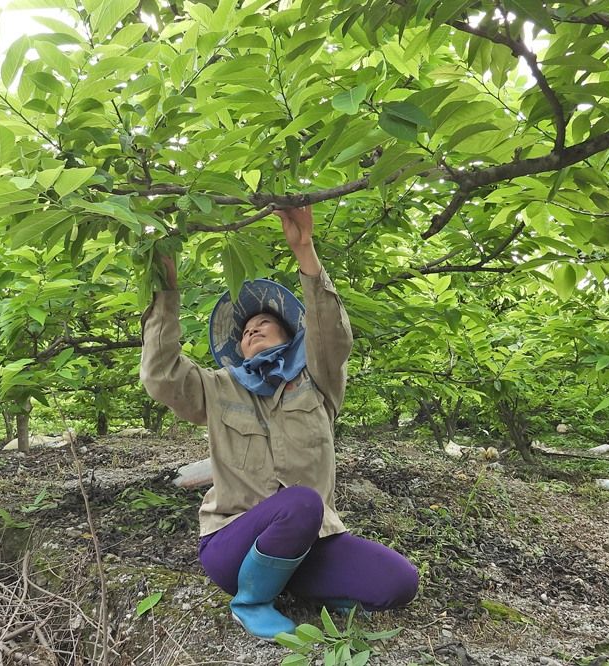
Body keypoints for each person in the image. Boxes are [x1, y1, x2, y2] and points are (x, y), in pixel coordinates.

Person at [140, 206, 418, 641]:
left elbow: (332, 335)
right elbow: (161, 375)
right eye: (245, 332)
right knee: (302, 502)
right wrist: (167, 289)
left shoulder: (317, 380)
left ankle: (296, 585)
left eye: (264, 323)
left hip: (310, 541)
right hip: (232, 540)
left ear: (291, 335)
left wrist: (304, 250)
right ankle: (250, 600)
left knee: (399, 583)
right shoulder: (218, 388)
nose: (252, 332)